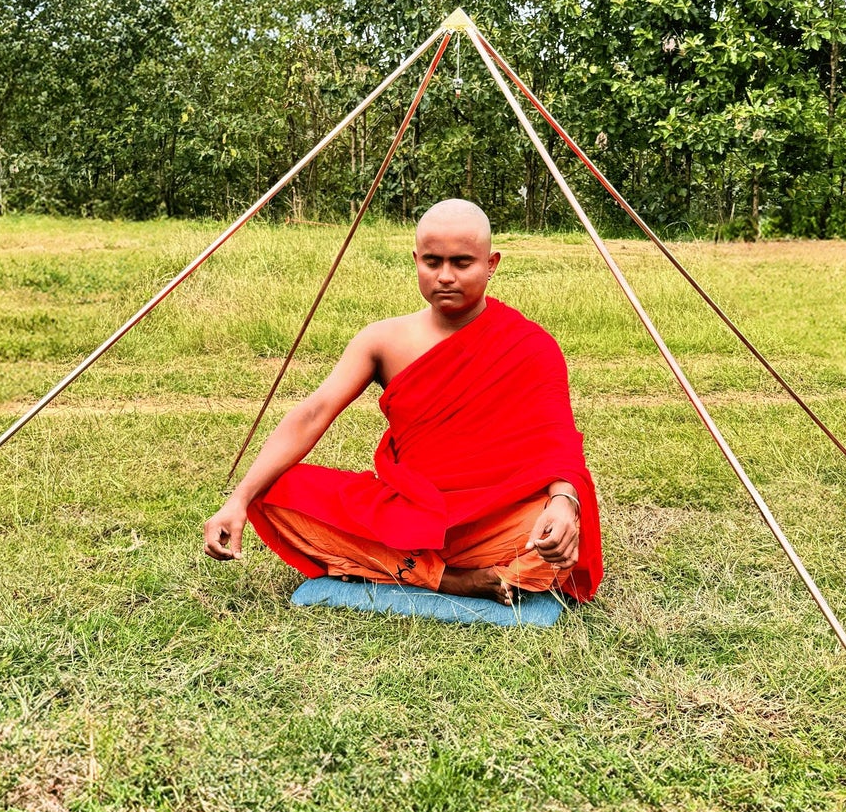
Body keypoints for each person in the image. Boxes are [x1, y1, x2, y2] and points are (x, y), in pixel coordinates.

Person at [202, 199, 602, 604]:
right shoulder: (382, 340)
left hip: (494, 517)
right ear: (416, 260)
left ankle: (395, 565)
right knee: (274, 493)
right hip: (408, 513)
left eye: (462, 263)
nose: (445, 276)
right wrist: (238, 499)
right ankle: (451, 580)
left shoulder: (530, 345)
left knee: (562, 528)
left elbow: (558, 443)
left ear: (492, 263)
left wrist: (564, 504)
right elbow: (314, 412)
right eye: (432, 262)